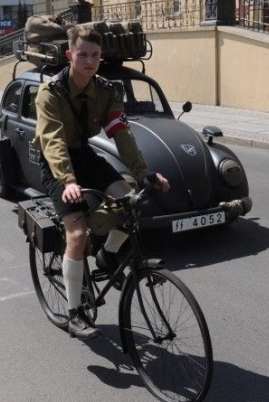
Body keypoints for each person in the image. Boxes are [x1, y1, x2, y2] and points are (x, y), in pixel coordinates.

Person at [33, 25, 169, 340]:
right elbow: (52, 142)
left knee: (130, 201)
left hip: (84, 155)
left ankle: (108, 254)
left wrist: (142, 172)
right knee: (77, 233)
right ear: (70, 55)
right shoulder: (50, 92)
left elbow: (121, 133)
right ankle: (75, 312)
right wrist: (67, 181)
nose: (90, 61)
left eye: (95, 55)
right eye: (83, 54)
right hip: (55, 164)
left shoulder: (107, 90)